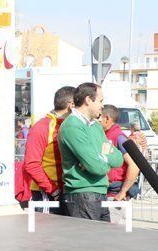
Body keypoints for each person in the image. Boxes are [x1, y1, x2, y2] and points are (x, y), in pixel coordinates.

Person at [58, 83, 123, 221]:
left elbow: (118, 159)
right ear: (88, 100)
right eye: (100, 101)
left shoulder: (95, 126)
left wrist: (99, 158)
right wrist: (102, 158)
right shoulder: (72, 126)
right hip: (82, 195)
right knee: (87, 242)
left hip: (98, 193)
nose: (102, 106)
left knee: (102, 242)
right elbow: (96, 167)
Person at [22, 86, 75, 214]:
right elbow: (32, 164)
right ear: (72, 105)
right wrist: (54, 190)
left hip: (67, 192)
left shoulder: (69, 126)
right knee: (47, 233)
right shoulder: (42, 127)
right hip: (47, 193)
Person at [99, 105, 141, 207]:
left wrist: (122, 192)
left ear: (107, 118)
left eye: (99, 116)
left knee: (110, 223)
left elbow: (134, 166)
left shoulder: (119, 137)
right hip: (106, 189)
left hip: (115, 191)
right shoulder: (105, 135)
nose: (97, 119)